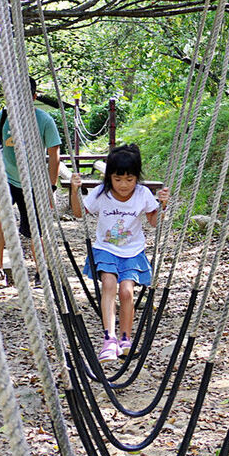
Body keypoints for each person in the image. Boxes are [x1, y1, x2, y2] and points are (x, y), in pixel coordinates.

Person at [70, 144, 169, 362]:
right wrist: (73, 190)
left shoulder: (142, 194)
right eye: (118, 179)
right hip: (105, 249)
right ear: (109, 178)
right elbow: (78, 213)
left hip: (132, 252)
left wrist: (162, 206)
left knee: (126, 292)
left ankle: (125, 339)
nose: (123, 185)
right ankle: (109, 339)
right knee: (108, 284)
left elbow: (154, 222)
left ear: (137, 178)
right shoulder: (101, 193)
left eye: (130, 179)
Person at [0, 76, 62, 287]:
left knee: (35, 229)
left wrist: (51, 186)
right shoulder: (2, 118)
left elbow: (54, 154)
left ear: (34, 97)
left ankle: (41, 271)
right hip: (6, 177)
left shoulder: (44, 120)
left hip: (33, 181)